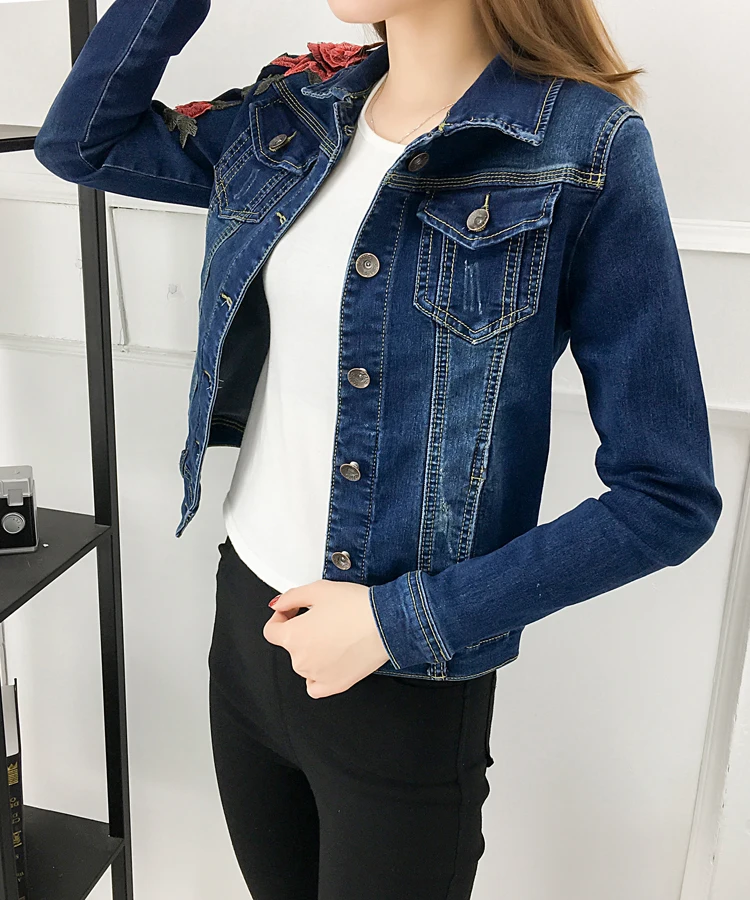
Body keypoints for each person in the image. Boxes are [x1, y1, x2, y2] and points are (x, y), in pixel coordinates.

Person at [33, 0, 722, 897]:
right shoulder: (295, 111)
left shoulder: (582, 148)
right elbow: (80, 143)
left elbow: (667, 496)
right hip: (247, 628)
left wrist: (398, 624)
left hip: (402, 678)